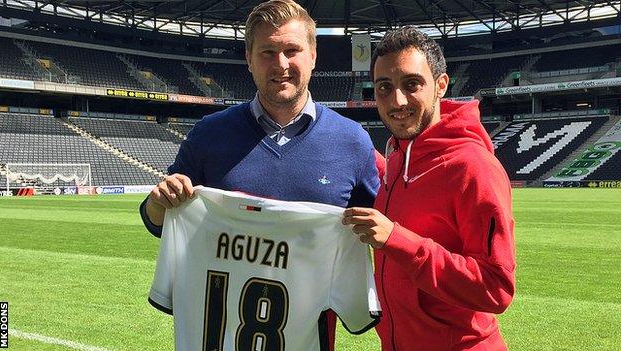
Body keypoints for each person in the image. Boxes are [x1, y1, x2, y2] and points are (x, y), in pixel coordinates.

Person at [139, 0, 380, 349]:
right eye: (267, 52)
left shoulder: (352, 142)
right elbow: (156, 218)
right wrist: (160, 204)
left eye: (292, 50)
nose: (280, 64)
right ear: (249, 59)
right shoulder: (209, 134)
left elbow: (380, 232)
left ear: (313, 55)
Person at [342, 26, 516, 350]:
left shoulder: (473, 167)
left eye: (412, 84)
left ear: (440, 85)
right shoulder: (396, 158)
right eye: (384, 87)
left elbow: (497, 288)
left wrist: (398, 240)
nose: (397, 100)